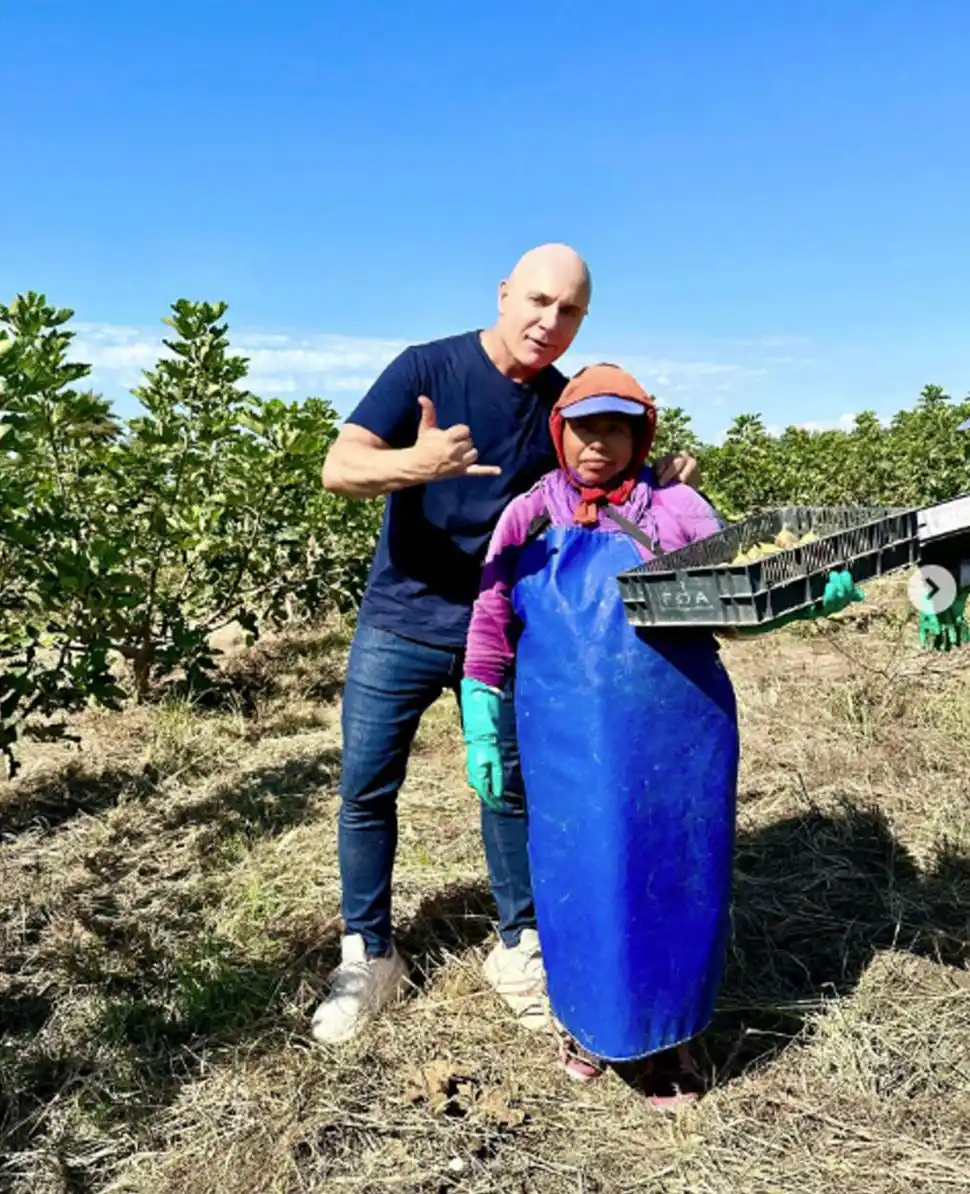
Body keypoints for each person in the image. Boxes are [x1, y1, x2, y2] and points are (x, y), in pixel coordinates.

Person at [312, 244, 701, 1045]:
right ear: (503, 293)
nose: (548, 321)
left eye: (568, 311)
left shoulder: (563, 406)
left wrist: (655, 480)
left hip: (507, 627)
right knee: (366, 787)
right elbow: (339, 466)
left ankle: (518, 943)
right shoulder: (426, 368)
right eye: (537, 301)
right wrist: (411, 464)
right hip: (401, 620)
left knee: (509, 788)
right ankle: (369, 951)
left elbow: (591, 491)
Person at [460, 362, 864, 1103]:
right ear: (561, 433)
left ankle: (671, 1044)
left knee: (673, 874)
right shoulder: (528, 515)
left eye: (617, 427)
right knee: (576, 877)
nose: (599, 444)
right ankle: (580, 1023)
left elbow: (731, 601)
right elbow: (490, 616)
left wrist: (800, 599)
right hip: (563, 736)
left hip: (672, 731)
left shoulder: (675, 509)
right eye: (585, 427)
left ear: (640, 435)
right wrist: (480, 703)